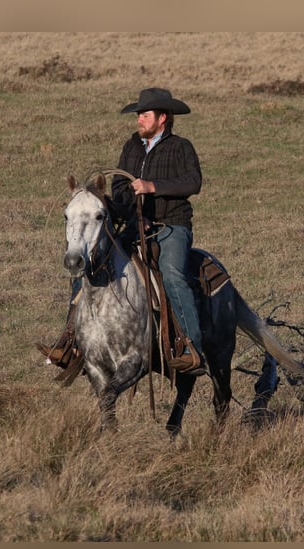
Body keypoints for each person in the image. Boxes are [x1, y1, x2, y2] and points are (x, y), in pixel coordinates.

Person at [109, 88, 205, 375]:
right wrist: (133, 215)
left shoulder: (181, 147)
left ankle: (192, 347)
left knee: (173, 275)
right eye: (139, 114)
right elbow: (118, 187)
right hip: (136, 226)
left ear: (162, 118)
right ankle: (72, 341)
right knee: (94, 261)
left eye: (145, 115)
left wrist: (153, 187)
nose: (139, 119)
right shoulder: (132, 147)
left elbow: (193, 182)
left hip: (172, 226)